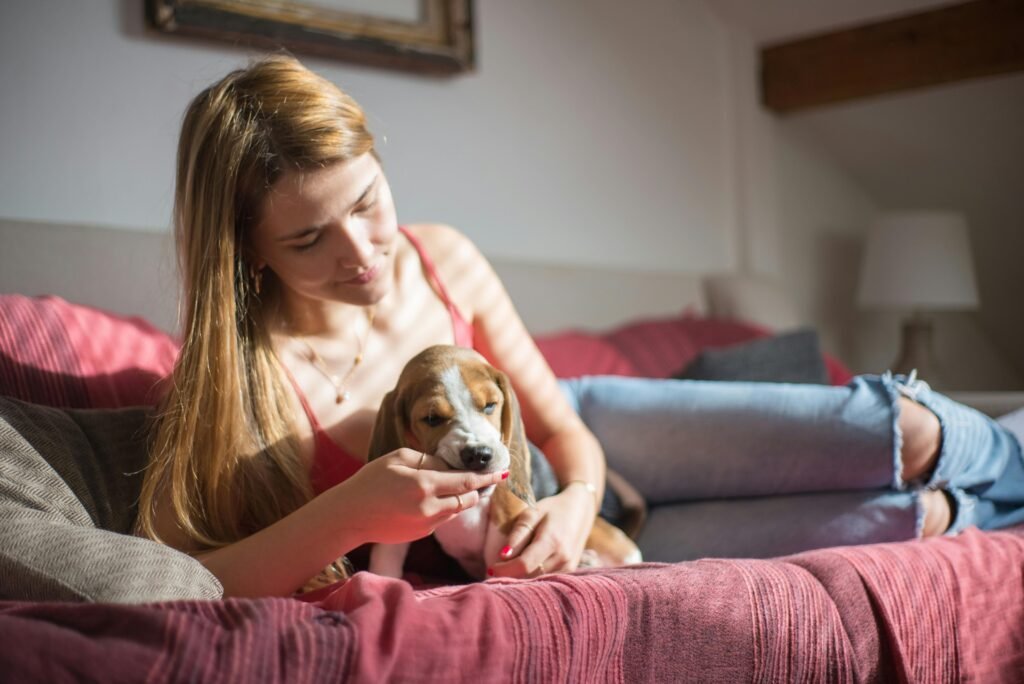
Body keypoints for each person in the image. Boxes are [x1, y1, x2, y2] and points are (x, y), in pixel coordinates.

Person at [135, 55, 1024, 598]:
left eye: (369, 202)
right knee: (916, 518)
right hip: (532, 547)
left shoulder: (438, 254)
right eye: (307, 238)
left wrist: (575, 502)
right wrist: (351, 514)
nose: (365, 253)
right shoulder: (243, 385)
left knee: (904, 432)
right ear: (247, 252)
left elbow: (561, 427)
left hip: (592, 443)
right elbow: (199, 578)